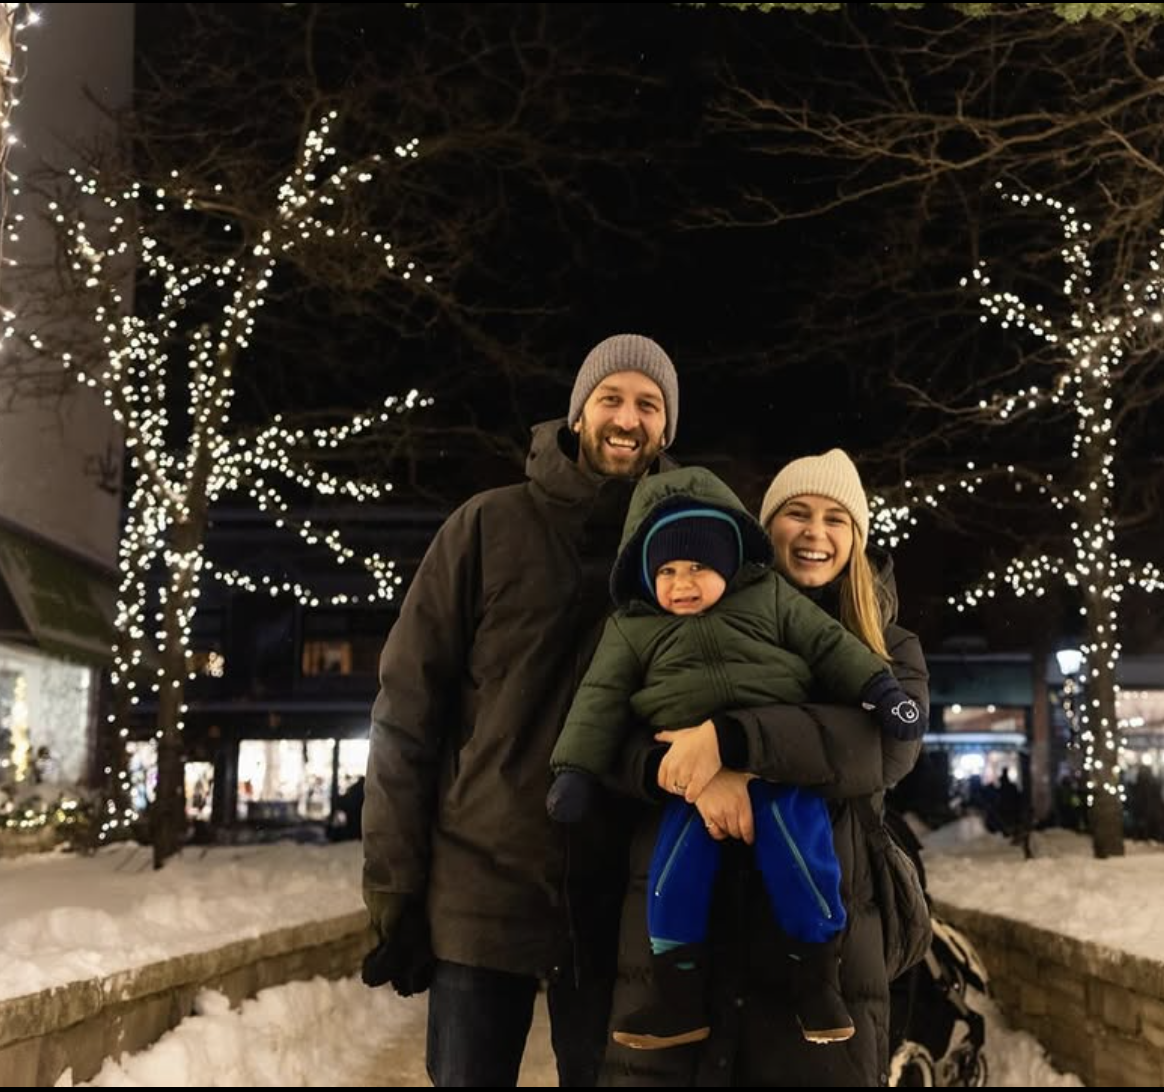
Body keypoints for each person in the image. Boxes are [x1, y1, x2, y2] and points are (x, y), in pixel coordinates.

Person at [361, 334, 680, 1087]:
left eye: (648, 404)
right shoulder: (485, 527)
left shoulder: (690, 551)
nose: (627, 418)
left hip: (624, 901)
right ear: (577, 413)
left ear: (667, 429)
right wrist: (395, 886)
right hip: (483, 888)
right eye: (611, 398)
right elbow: (407, 713)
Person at [546, 467, 924, 1050]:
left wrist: (730, 743)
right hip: (697, 917)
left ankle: (813, 977)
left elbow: (878, 752)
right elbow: (605, 720)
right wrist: (684, 776)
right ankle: (676, 993)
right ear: (763, 529)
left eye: (836, 518)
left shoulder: (886, 646)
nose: (814, 532)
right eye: (797, 513)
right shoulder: (646, 626)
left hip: (828, 931)